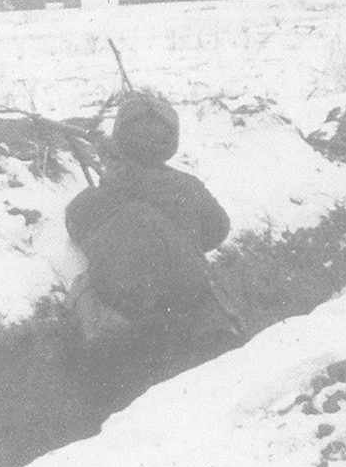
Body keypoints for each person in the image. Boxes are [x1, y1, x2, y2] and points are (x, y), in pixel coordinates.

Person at [64, 91, 233, 420]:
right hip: (189, 310)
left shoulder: (90, 202)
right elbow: (218, 230)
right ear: (170, 145)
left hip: (127, 323)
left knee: (83, 286)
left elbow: (77, 231)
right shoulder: (189, 188)